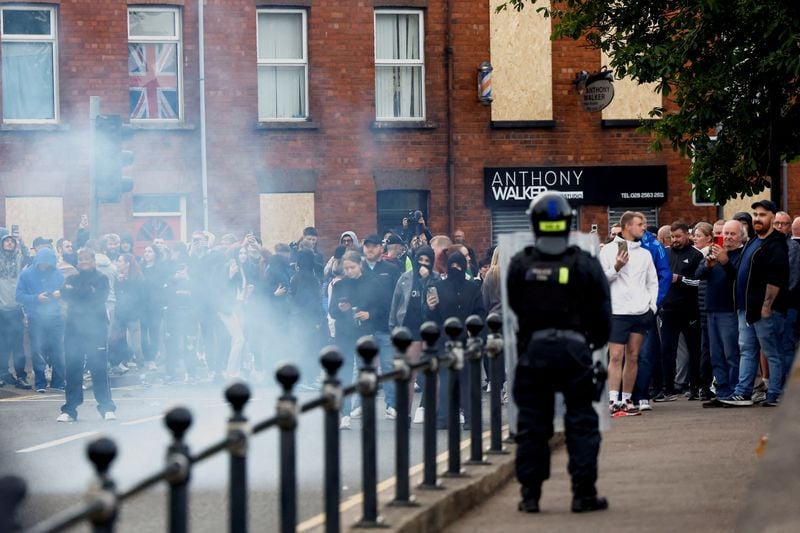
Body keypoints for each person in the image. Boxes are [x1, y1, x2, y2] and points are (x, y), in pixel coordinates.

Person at [507, 191, 611, 514]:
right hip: (575, 350)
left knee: (532, 425)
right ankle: (583, 495)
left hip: (534, 351)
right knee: (581, 422)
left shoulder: (520, 263)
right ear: (567, 222)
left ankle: (530, 496)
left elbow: (515, 306)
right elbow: (604, 312)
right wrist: (592, 344)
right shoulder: (585, 263)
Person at [722, 200, 789, 407]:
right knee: (747, 350)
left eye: (763, 215)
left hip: (764, 310)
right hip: (746, 307)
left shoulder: (776, 244)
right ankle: (743, 393)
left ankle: (775, 393)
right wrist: (725, 263)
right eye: (756, 214)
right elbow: (741, 274)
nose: (758, 218)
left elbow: (776, 278)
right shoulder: (753, 241)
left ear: (773, 218)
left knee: (772, 351)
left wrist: (767, 305)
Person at [598, 211, 658, 416]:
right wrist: (617, 266)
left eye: (644, 224)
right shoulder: (607, 251)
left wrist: (651, 306)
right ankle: (613, 401)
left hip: (641, 312)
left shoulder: (645, 253)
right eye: (640, 224)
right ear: (626, 227)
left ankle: (626, 400)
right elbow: (600, 282)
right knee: (615, 356)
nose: (644, 227)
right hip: (618, 312)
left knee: (633, 356)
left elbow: (653, 282)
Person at [57, 247, 116, 422]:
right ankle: (70, 410)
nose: (83, 262)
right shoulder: (71, 278)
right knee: (73, 369)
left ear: (93, 261)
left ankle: (107, 407)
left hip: (96, 329)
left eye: (87, 259)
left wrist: (76, 292)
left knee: (98, 368)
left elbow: (98, 298)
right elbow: (65, 294)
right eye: (80, 259)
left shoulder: (102, 279)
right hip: (73, 329)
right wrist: (84, 292)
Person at [696, 219, 745, 406]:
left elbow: (739, 278)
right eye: (725, 234)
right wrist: (708, 265)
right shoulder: (712, 251)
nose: (728, 237)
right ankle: (723, 391)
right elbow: (698, 273)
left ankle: (735, 390)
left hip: (729, 309)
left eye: (732, 234)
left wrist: (725, 262)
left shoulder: (742, 253)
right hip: (711, 308)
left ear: (741, 235)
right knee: (716, 354)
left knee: (731, 353)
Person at [16, 247, 66, 392]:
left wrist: (60, 293)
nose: (45, 266)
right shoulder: (26, 274)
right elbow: (19, 296)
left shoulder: (57, 274)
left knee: (58, 350)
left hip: (55, 318)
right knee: (37, 350)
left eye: (47, 264)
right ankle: (40, 383)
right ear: (37, 261)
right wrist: (36, 298)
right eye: (42, 263)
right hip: (35, 318)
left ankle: (58, 382)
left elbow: (67, 292)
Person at [0, 233, 31, 389]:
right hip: (1, 310)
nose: (9, 243)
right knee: (2, 345)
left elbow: (27, 256)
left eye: (12, 241)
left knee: (18, 346)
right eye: (6, 241)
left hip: (16, 308)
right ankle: (2, 374)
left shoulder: (19, 261)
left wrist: (21, 240)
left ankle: (21, 376)